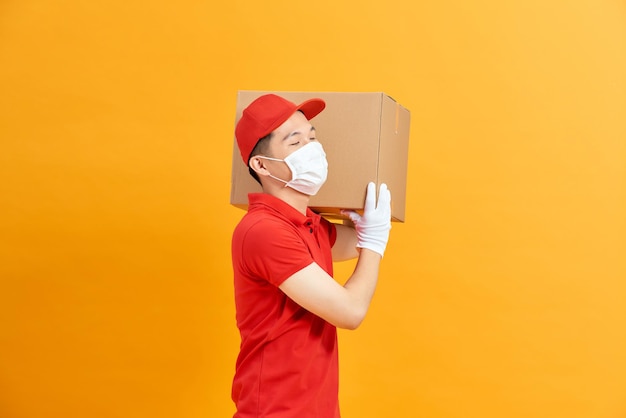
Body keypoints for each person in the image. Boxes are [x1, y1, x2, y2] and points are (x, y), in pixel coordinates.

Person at [231, 93, 392, 418]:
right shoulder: (264, 231)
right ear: (261, 165)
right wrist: (374, 238)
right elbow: (350, 312)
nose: (312, 149)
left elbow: (353, 245)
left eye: (312, 138)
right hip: (276, 411)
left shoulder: (308, 226)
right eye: (295, 143)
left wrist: (368, 228)